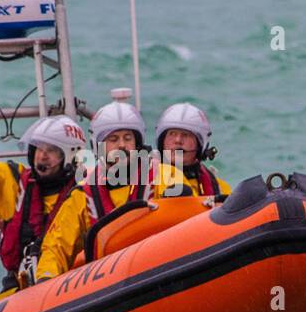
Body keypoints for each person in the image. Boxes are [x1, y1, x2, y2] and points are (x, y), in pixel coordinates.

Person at [0, 65, 86, 290]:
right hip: (20, 293)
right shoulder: (13, 185)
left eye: (51, 150)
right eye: (38, 149)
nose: (42, 156)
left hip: (75, 288)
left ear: (70, 156)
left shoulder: (86, 193)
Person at [34, 98, 189, 281]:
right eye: (113, 139)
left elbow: (186, 222)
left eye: (128, 138)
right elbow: (56, 246)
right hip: (106, 285)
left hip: (158, 270)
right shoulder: (83, 195)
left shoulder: (165, 176)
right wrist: (46, 278)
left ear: (137, 143)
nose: (121, 145)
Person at [154, 102, 230, 197]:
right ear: (162, 140)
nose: (178, 140)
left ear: (199, 145)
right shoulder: (145, 178)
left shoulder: (219, 187)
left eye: (186, 135)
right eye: (172, 134)